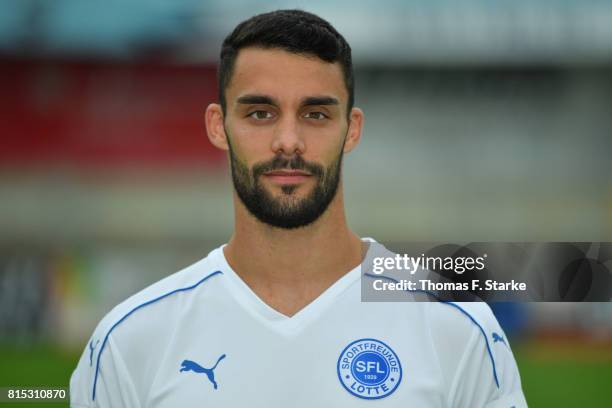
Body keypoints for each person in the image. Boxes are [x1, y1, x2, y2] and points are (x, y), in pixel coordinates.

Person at [70, 9, 527, 407]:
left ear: (351, 129)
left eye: (316, 114)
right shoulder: (130, 342)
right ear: (217, 126)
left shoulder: (455, 326)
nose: (288, 141)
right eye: (260, 113)